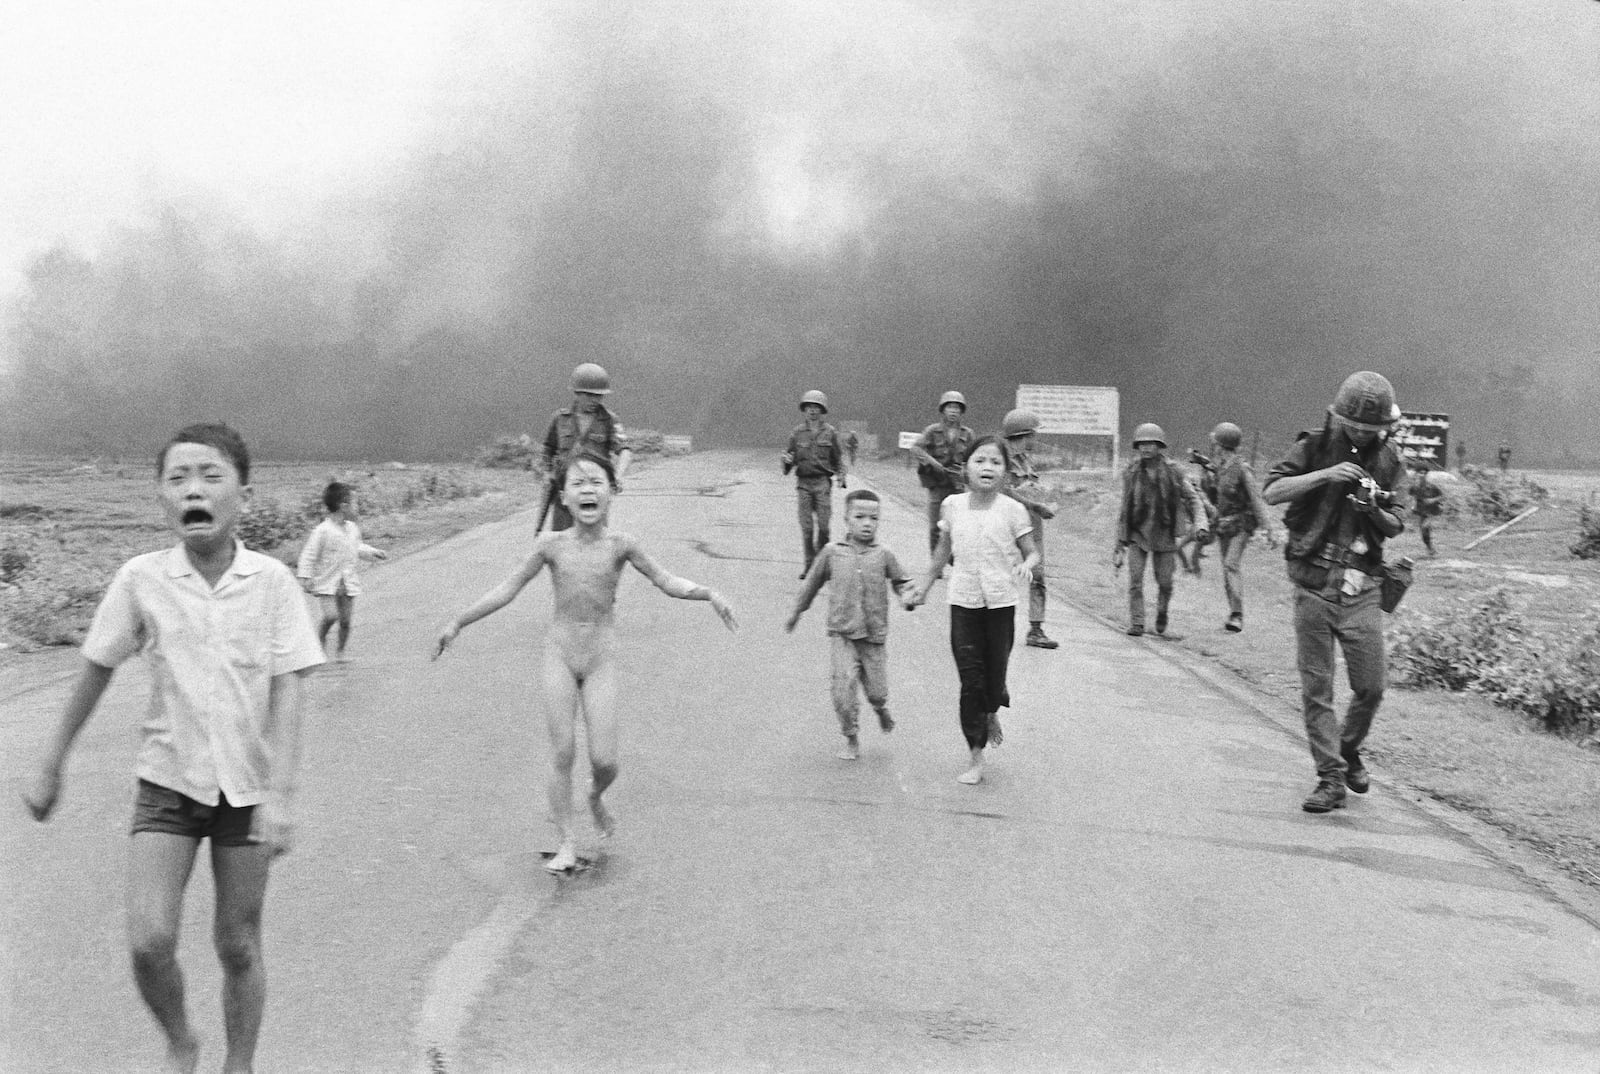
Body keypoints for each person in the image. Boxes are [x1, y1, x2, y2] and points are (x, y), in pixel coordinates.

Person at [24, 422, 324, 1074]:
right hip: (168, 783)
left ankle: (238, 1064)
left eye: (210, 476)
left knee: (238, 944)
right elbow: (97, 666)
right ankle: (182, 1040)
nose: (194, 489)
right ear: (160, 495)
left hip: (246, 789)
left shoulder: (272, 581)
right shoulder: (141, 579)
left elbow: (292, 688)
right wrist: (52, 759)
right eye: (178, 477)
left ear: (244, 493)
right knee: (148, 941)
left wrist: (282, 793)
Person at [434, 454, 737, 872]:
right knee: (563, 752)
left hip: (600, 659)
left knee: (606, 761)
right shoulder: (550, 545)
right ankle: (566, 841)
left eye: (597, 481)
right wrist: (459, 621)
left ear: (611, 494)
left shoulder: (622, 545)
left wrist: (709, 594)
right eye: (578, 483)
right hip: (559, 655)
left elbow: (666, 580)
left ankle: (594, 797)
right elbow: (508, 588)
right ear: (564, 497)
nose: (588, 488)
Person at [1262, 371, 1406, 814]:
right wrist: (1325, 475)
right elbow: (1271, 491)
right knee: (1316, 687)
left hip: (1361, 585)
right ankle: (1330, 778)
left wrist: (1373, 508)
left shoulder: (1390, 460)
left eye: (1372, 427)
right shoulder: (1313, 445)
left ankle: (1347, 748)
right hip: (1312, 582)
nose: (1362, 432)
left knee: (1372, 687)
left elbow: (1398, 523)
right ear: (1339, 415)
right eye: (1355, 424)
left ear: (1385, 425)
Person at [907, 437, 1040, 786]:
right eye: (980, 460)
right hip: (963, 601)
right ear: (966, 467)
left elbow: (1032, 551)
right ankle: (975, 754)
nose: (987, 468)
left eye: (996, 463)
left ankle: (992, 708)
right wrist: (924, 586)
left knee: (994, 677)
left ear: (1005, 472)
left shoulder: (1013, 510)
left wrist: (1027, 564)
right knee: (970, 678)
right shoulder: (952, 506)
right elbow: (941, 553)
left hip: (1000, 603)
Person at [784, 489, 913, 760]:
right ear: (846, 519)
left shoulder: (884, 554)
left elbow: (902, 581)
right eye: (860, 516)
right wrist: (796, 612)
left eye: (873, 518)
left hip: (874, 636)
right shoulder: (832, 553)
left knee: (877, 691)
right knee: (843, 690)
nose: (867, 523)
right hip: (842, 634)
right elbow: (811, 585)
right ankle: (851, 737)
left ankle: (880, 709)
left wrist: (908, 596)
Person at [1113, 423, 1209, 637]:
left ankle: (1162, 612)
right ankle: (1137, 622)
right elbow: (1125, 508)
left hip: (1164, 533)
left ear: (1159, 446)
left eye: (1151, 443)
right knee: (1135, 579)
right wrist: (1119, 543)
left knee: (1165, 582)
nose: (1146, 448)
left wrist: (1201, 523)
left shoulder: (1174, 472)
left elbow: (1193, 499)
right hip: (1138, 533)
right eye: (1142, 444)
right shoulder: (1131, 473)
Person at [297, 480, 389, 662]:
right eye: (355, 504)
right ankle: (319, 640)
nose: (358, 508)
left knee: (345, 621)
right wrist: (305, 577)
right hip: (327, 583)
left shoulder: (352, 529)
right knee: (331, 616)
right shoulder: (322, 531)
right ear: (344, 506)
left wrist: (373, 552)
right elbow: (309, 554)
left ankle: (340, 653)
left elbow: (356, 547)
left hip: (347, 583)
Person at [1205, 422, 1281, 632]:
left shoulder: (1242, 468)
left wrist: (1268, 529)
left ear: (1220, 445)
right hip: (1224, 524)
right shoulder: (1218, 467)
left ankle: (1237, 614)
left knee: (1231, 564)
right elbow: (1215, 496)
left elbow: (1256, 500)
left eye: (1216, 443)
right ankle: (1233, 613)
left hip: (1242, 524)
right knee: (1226, 569)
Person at [539, 362, 632, 531]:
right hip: (566, 491)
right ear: (577, 393)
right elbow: (548, 450)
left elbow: (624, 450)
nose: (594, 400)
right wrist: (547, 473)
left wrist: (618, 476)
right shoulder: (560, 419)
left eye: (599, 396)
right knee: (561, 542)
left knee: (594, 540)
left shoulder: (610, 420)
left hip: (594, 492)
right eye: (589, 395)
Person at [1000, 408, 1061, 649]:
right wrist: (1036, 505)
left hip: (1032, 528)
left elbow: (1030, 488)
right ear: (1023, 434)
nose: (1035, 439)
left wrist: (1045, 503)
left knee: (1039, 577)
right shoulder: (1002, 459)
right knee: (1002, 578)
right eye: (1032, 434)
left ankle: (1036, 629)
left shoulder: (1027, 460)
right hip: (1009, 528)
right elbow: (1005, 491)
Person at [781, 389, 846, 577]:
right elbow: (789, 460)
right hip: (804, 484)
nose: (812, 411)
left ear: (822, 410)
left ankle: (821, 564)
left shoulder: (830, 432)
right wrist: (785, 462)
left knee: (824, 527)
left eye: (816, 407)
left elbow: (838, 458)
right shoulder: (797, 433)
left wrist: (841, 474)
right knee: (807, 528)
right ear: (804, 410)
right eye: (809, 407)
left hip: (822, 483)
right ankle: (810, 566)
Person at [908, 391, 974, 557]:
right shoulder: (932, 431)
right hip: (937, 484)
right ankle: (935, 562)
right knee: (935, 526)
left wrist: (965, 471)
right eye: (950, 407)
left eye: (957, 408)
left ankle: (953, 557)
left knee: (956, 525)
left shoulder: (968, 434)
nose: (953, 411)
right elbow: (916, 448)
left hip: (957, 485)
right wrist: (933, 463)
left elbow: (975, 457)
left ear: (962, 412)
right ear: (943, 410)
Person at [1409, 465, 1444, 556]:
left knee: (1425, 527)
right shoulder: (1414, 487)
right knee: (1424, 533)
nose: (1422, 475)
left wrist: (1432, 500)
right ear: (1417, 474)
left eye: (1424, 473)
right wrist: (1412, 505)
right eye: (1420, 473)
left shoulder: (1431, 487)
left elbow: (1441, 495)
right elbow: (1410, 497)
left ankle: (1430, 548)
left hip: (1432, 511)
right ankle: (1430, 548)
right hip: (1422, 512)